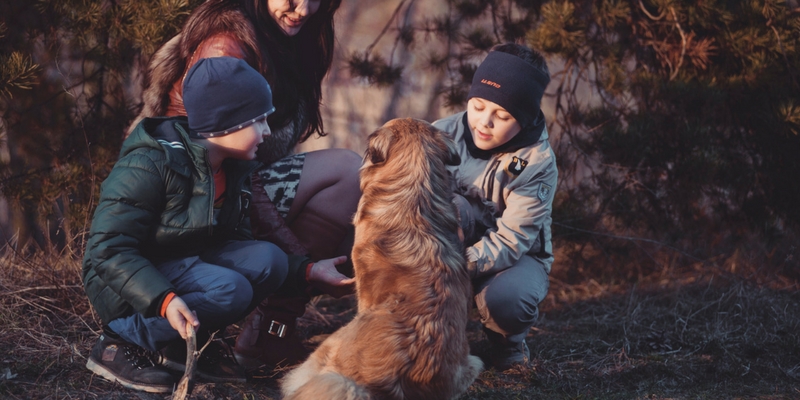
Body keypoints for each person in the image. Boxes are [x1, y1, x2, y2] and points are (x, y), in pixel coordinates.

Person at [83, 57, 345, 393]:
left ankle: (181, 347)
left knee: (270, 261)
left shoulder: (232, 168)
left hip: (178, 266)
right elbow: (107, 250)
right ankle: (118, 343)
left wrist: (308, 271)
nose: (267, 131)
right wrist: (164, 300)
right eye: (259, 121)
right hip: (124, 289)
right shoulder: (150, 163)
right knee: (229, 289)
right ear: (225, 124)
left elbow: (238, 243)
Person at [131, 0, 361, 369]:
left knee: (356, 187)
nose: (302, 9)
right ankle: (240, 333)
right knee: (346, 172)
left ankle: (269, 336)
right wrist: (303, 262)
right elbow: (208, 169)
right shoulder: (226, 45)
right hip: (193, 206)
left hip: (239, 187)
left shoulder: (290, 38)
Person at [432, 43, 557, 370]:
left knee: (508, 300)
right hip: (449, 243)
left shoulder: (536, 163)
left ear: (525, 118)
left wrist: (454, 266)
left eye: (502, 115)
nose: (484, 122)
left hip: (513, 258)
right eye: (477, 106)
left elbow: (513, 239)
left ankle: (507, 346)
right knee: (454, 206)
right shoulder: (440, 134)